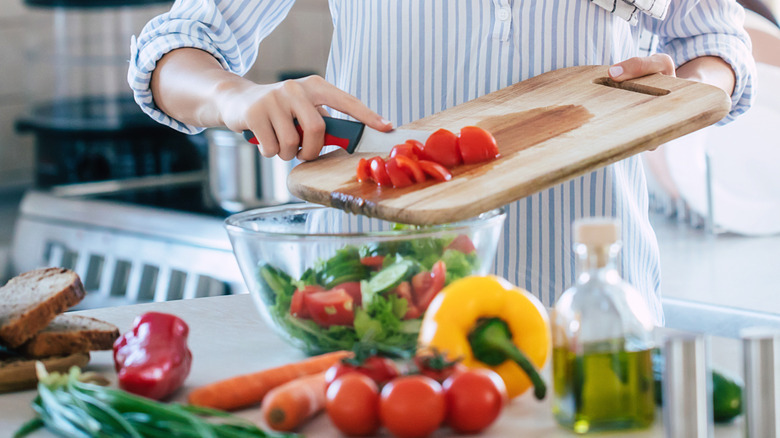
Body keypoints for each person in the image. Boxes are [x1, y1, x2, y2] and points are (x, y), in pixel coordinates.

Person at [128, 0, 755, 325]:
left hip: (593, 313)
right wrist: (234, 96)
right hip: (383, 318)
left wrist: (685, 87)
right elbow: (171, 50)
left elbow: (715, 43)